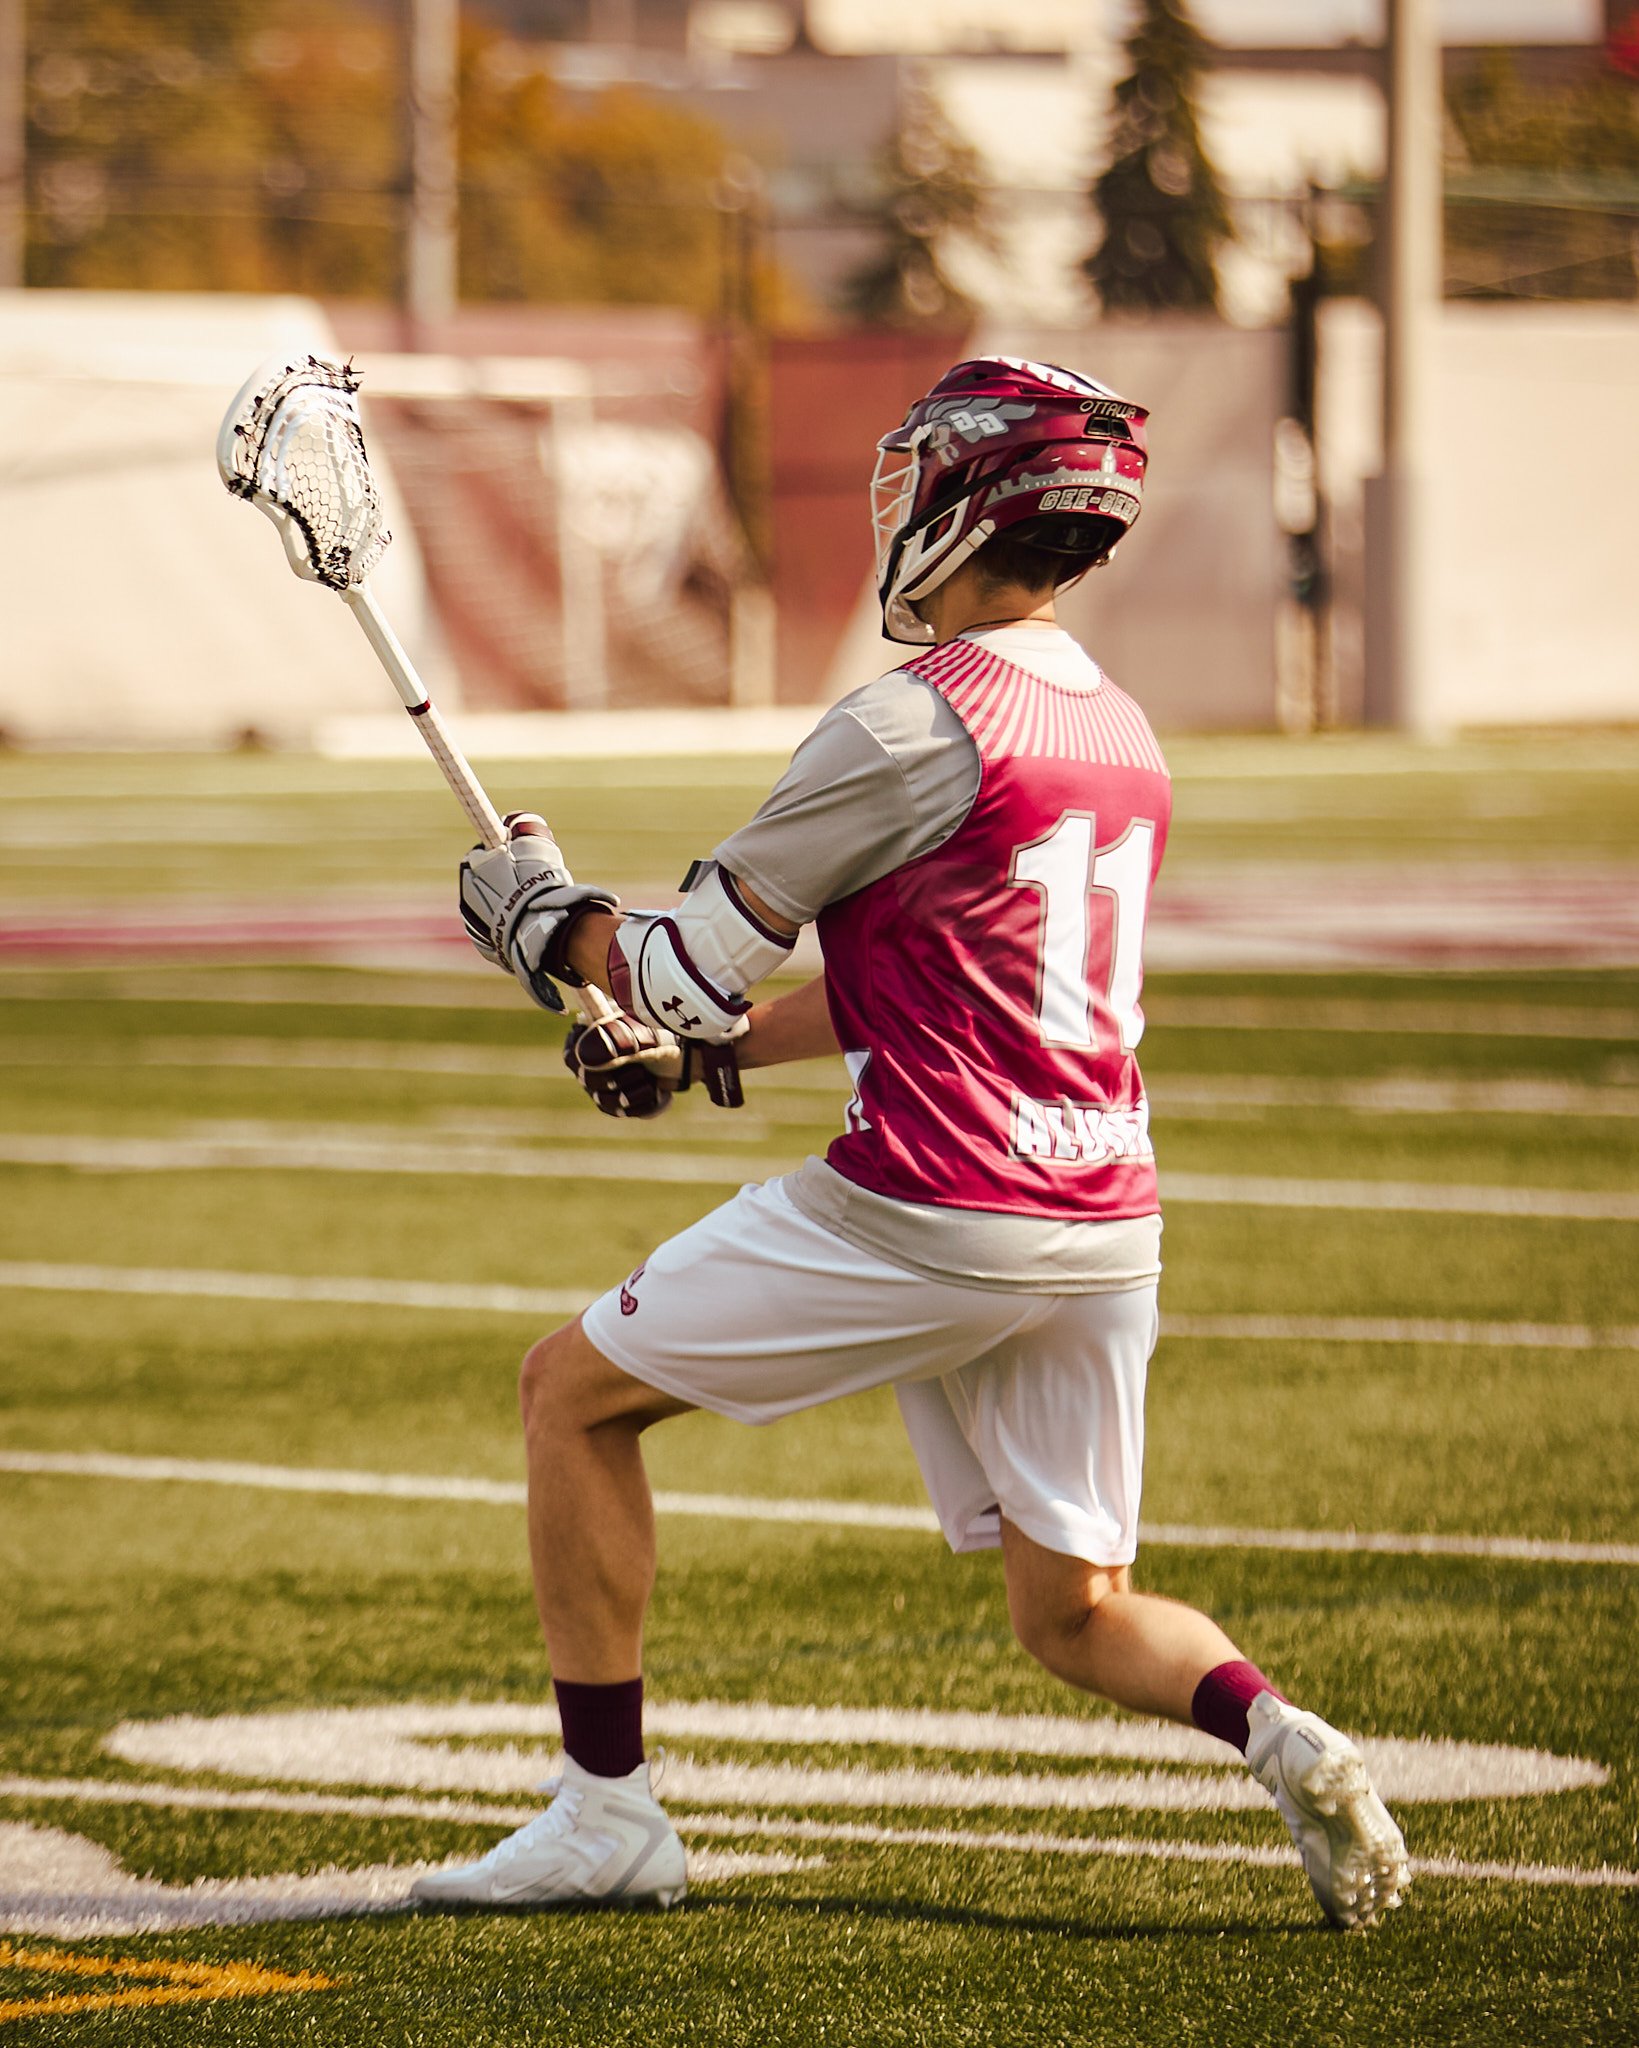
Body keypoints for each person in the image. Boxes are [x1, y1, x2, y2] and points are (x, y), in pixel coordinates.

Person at [413, 358, 1410, 1930]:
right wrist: (714, 1050)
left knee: (570, 1397)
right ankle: (1285, 1737)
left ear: (965, 501)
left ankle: (607, 1817)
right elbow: (924, 989)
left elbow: (679, 966)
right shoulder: (1120, 728)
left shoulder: (907, 723)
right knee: (1073, 1612)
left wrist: (551, 922)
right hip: (1104, 1220)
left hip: (938, 1208)